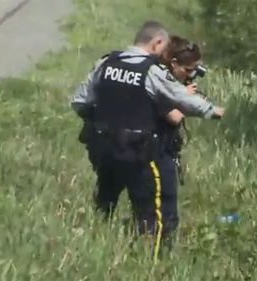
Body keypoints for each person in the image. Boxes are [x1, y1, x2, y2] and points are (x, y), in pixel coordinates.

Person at [70, 21, 224, 262]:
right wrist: (212, 110)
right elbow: (181, 101)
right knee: (154, 209)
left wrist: (105, 119)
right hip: (138, 152)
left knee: (105, 200)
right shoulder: (151, 71)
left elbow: (80, 102)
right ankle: (154, 261)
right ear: (157, 43)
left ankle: (92, 245)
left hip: (103, 149)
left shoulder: (106, 62)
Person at [158, 35, 205, 186]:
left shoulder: (170, 81)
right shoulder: (158, 81)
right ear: (174, 63)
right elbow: (174, 117)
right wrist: (184, 97)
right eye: (187, 70)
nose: (190, 74)